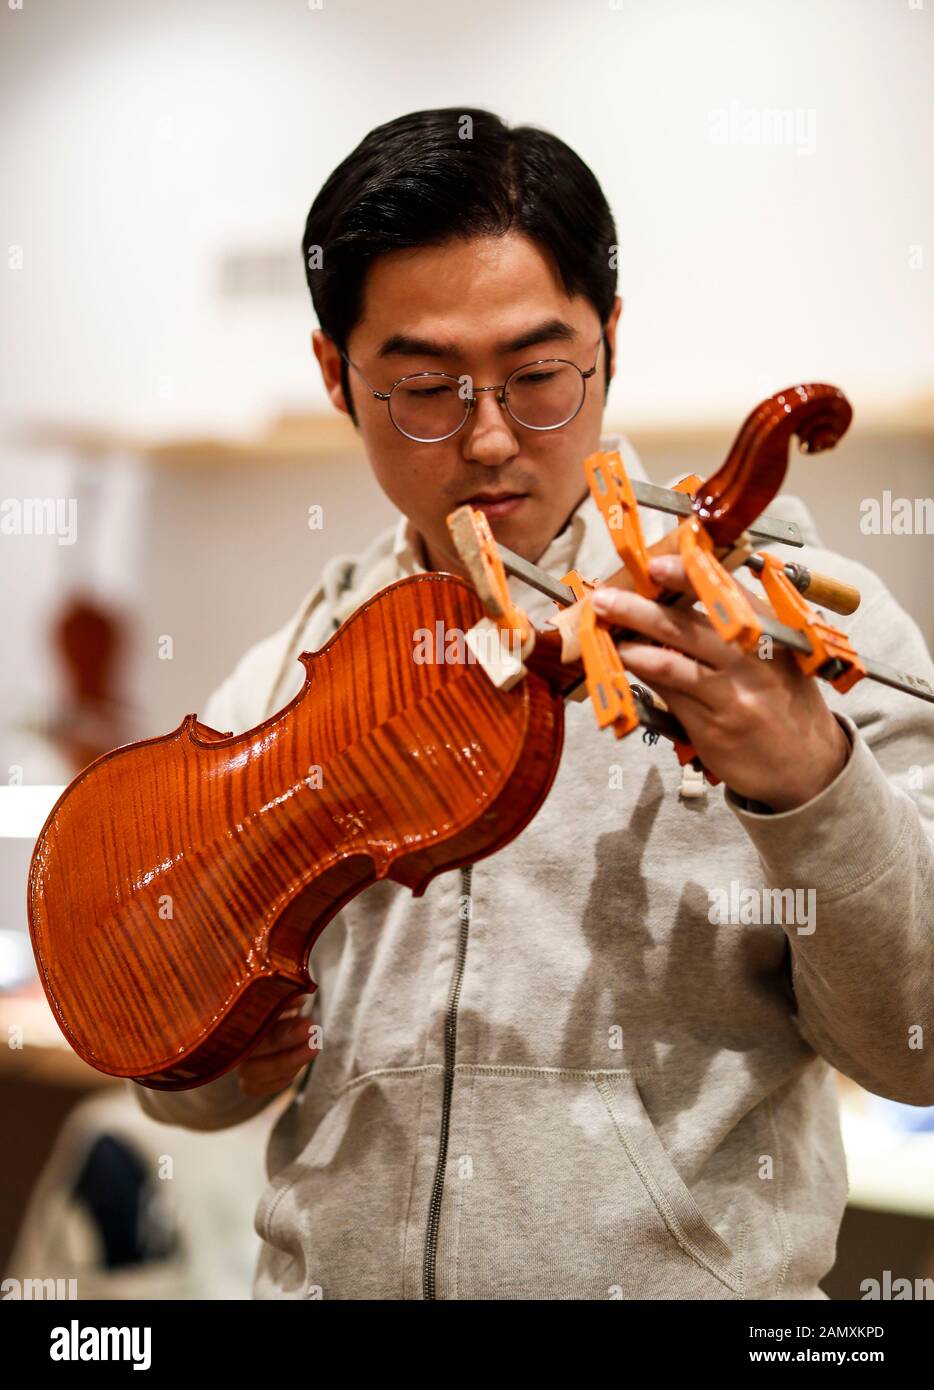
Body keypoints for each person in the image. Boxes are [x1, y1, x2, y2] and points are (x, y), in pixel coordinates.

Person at [133, 107, 934, 1300]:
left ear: (609, 341)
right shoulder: (287, 676)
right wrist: (216, 1053)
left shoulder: (792, 628)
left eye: (538, 376)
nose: (490, 440)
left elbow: (913, 1050)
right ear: (333, 376)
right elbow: (183, 1089)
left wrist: (810, 784)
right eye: (421, 388)